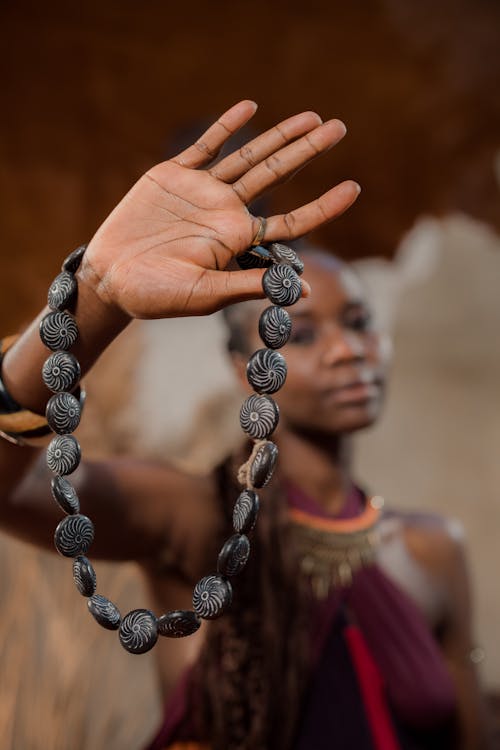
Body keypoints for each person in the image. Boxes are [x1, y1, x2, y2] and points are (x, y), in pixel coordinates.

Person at [0, 100, 489, 749]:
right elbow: (8, 490)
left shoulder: (432, 548)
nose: (349, 350)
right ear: (242, 367)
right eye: (304, 332)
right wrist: (95, 296)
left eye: (361, 323)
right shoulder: (194, 515)